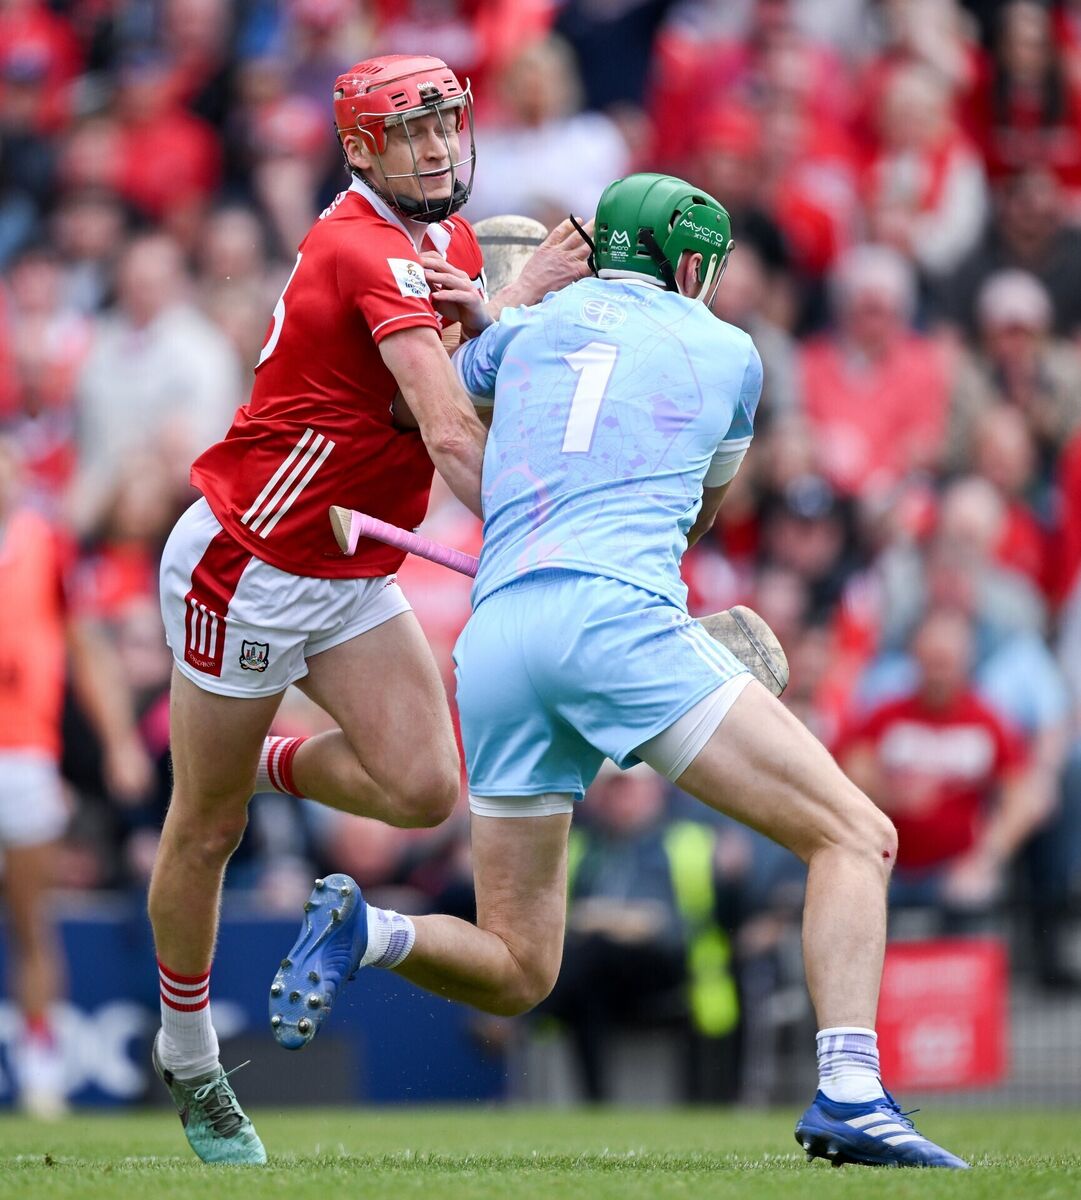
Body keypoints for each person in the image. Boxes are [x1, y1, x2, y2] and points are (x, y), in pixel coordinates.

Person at [272, 173, 968, 1169]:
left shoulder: (523, 332)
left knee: (518, 965)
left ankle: (368, 933)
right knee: (855, 834)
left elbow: (440, 408)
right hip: (616, 621)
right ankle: (851, 1090)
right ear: (689, 264)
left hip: (500, 634)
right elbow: (698, 518)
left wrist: (491, 316)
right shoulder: (732, 352)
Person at [149, 53, 589, 1164]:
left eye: (447, 124)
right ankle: (191, 1060)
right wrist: (558, 543)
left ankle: (265, 758)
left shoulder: (438, 242)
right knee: (205, 829)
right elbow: (445, 429)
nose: (439, 148)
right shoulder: (361, 243)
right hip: (248, 559)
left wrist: (509, 302)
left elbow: (438, 362)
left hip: (347, 569)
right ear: (360, 150)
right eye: (411, 133)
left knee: (422, 787)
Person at [0, 437, 152, 1117]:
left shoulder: (46, 544)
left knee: (33, 919)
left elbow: (87, 648)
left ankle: (39, 1068)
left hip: (27, 755)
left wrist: (120, 742)